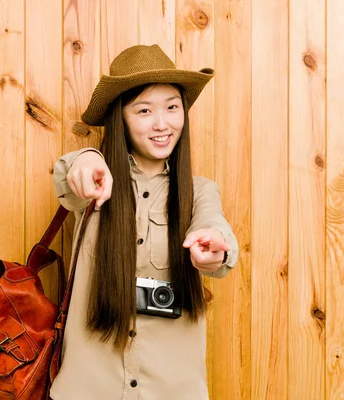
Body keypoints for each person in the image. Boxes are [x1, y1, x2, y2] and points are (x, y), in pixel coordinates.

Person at [50, 44, 239, 400]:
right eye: (144, 110)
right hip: (89, 389)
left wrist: (214, 248)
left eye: (172, 107)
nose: (161, 123)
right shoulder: (96, 183)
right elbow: (70, 175)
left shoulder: (199, 191)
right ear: (119, 117)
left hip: (172, 389)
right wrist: (86, 161)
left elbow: (216, 228)